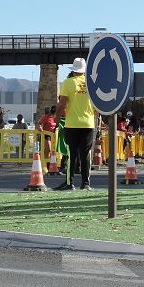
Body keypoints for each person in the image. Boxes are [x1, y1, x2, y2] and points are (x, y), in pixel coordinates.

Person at [55, 57, 97, 190]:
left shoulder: (68, 82)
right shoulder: (92, 83)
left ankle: (69, 182)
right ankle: (85, 183)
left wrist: (56, 118)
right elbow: (98, 106)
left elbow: (62, 103)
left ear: (73, 70)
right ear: (84, 71)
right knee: (85, 154)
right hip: (88, 124)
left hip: (72, 123)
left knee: (71, 154)